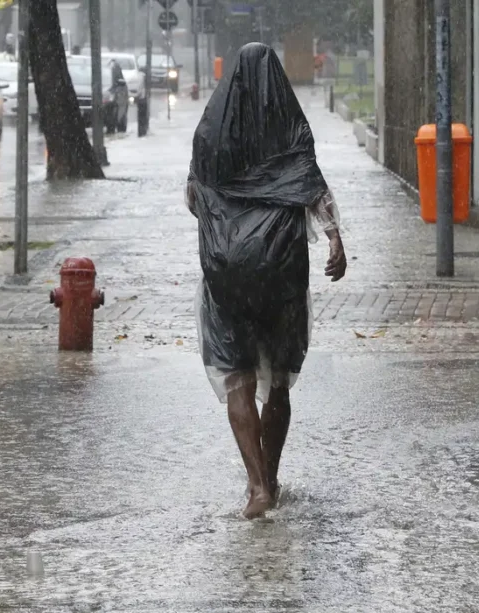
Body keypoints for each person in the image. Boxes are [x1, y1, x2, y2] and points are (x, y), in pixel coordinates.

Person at [186, 43, 347, 519]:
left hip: (229, 274)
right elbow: (314, 189)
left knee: (237, 378)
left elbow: (194, 197)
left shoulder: (212, 133)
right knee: (277, 383)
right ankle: (272, 476)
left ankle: (257, 487)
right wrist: (336, 241)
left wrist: (231, 219)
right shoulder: (289, 127)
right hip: (280, 272)